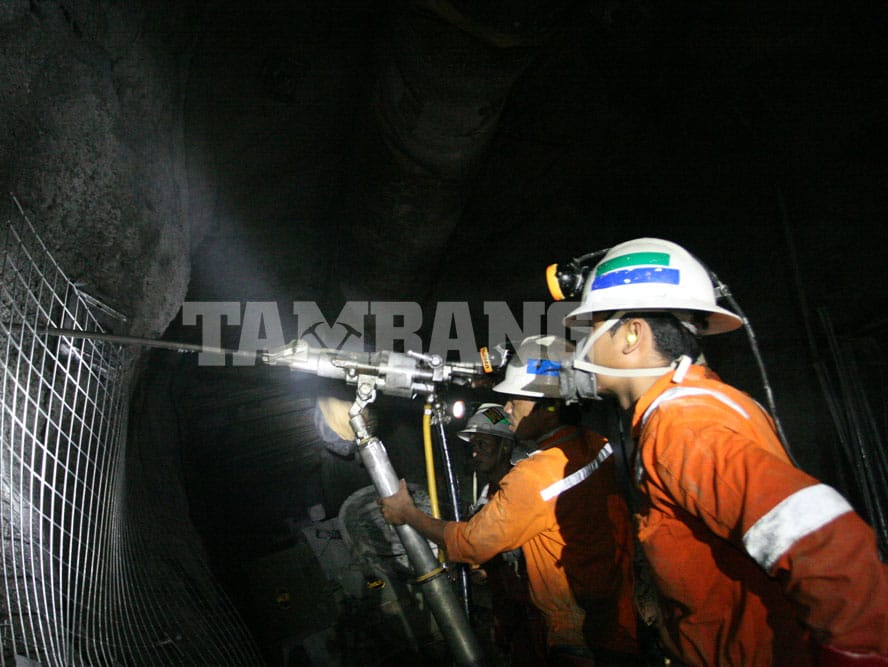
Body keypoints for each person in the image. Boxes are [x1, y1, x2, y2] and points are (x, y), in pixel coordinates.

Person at [556, 237, 888, 666]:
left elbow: (829, 540)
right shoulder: (699, 402)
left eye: (594, 324)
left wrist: (856, 657)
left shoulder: (684, 425)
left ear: (632, 334)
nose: (583, 344)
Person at [380, 337, 640, 666]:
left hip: (579, 638)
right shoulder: (595, 443)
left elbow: (471, 543)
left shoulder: (533, 479)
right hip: (618, 614)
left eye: (515, 397)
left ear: (549, 405)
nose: (507, 408)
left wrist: (407, 514)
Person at [458, 403, 546, 665]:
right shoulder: (486, 495)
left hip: (536, 615)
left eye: (482, 445)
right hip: (509, 614)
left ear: (505, 446)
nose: (474, 453)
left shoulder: (522, 489)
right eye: (473, 446)